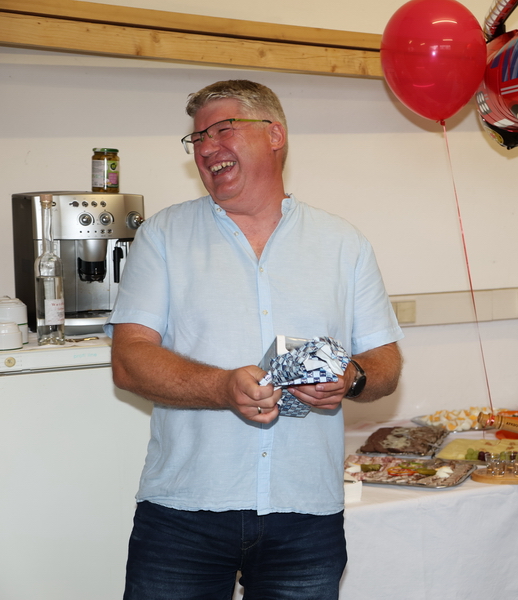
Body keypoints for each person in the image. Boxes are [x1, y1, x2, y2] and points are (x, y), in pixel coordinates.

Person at [107, 79, 403, 599]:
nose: (206, 147)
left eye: (223, 129)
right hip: (184, 512)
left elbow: (386, 362)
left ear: (275, 135)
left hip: (306, 512)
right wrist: (222, 387)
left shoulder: (343, 244)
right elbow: (129, 360)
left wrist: (352, 379)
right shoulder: (163, 236)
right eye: (197, 138)